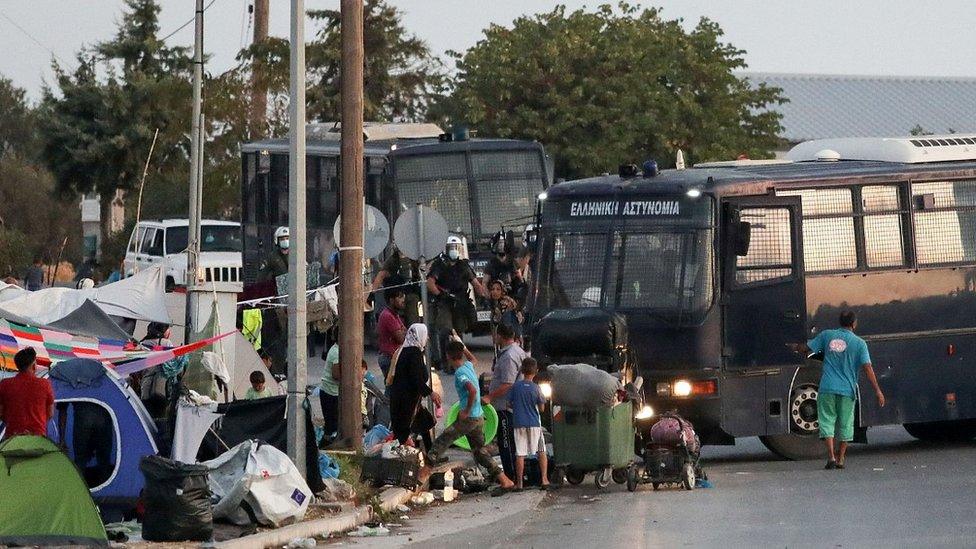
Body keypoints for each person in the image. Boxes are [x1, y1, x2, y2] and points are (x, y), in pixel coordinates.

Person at [787, 310, 885, 470]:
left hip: (827, 388)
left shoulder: (827, 336)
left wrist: (793, 347)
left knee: (827, 421)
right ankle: (841, 459)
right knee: (845, 424)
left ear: (840, 322)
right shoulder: (859, 343)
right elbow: (868, 368)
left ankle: (831, 456)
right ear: (854, 324)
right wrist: (878, 390)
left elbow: (806, 349)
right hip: (847, 391)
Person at [428, 339, 517, 493]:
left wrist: (466, 411)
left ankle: (424, 471)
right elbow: (472, 359)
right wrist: (463, 347)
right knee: (480, 452)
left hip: (469, 418)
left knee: (443, 440)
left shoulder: (460, 373)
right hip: (479, 417)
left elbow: (472, 391)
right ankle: (505, 480)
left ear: (448, 356)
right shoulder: (467, 366)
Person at [427, 236, 487, 371]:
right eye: (451, 248)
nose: (454, 251)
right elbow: (430, 283)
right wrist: (440, 294)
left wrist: (483, 296)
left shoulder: (463, 265)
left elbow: (476, 283)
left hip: (460, 303)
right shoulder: (439, 265)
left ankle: (458, 361)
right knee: (445, 330)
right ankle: (444, 361)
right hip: (444, 302)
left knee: (458, 333)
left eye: (456, 248)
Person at [482, 322, 527, 479]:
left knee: (506, 444)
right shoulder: (515, 351)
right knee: (512, 443)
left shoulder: (509, 356)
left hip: (505, 407)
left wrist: (489, 397)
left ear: (499, 335)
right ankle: (515, 476)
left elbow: (508, 384)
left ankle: (510, 477)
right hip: (510, 405)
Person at [388, 324, 442, 445]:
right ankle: (404, 458)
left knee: (424, 423)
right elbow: (415, 378)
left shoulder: (408, 350)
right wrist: (430, 393)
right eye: (425, 335)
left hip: (408, 398)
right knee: (403, 432)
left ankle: (431, 454)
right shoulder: (413, 353)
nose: (427, 338)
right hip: (406, 400)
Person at [509, 357, 550, 490]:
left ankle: (519, 483)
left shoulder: (515, 387)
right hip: (534, 423)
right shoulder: (536, 388)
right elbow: (542, 408)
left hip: (518, 423)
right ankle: (544, 480)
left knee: (520, 454)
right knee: (541, 451)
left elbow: (509, 403)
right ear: (536, 371)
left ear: (521, 370)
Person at [0, 347, 55, 439]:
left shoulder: (5, 384)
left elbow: (1, 413)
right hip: (38, 437)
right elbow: (50, 413)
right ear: (34, 365)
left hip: (12, 437)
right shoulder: (45, 384)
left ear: (17, 366)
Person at [372, 245, 423, 326]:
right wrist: (372, 292)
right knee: (397, 322)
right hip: (397, 295)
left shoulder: (413, 258)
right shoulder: (393, 260)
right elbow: (381, 275)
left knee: (412, 322)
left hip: (411, 296)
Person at [377, 288, 407, 380]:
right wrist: (403, 332)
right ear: (391, 300)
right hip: (389, 358)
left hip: (393, 357)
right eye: (399, 297)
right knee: (392, 390)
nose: (403, 300)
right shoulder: (388, 316)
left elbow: (405, 331)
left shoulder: (395, 315)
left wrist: (403, 331)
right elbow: (401, 338)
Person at [319, 343, 341, 446]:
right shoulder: (336, 352)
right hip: (330, 392)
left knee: (331, 424)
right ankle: (326, 445)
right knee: (332, 424)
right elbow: (336, 375)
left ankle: (326, 443)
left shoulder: (335, 349)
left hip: (330, 391)